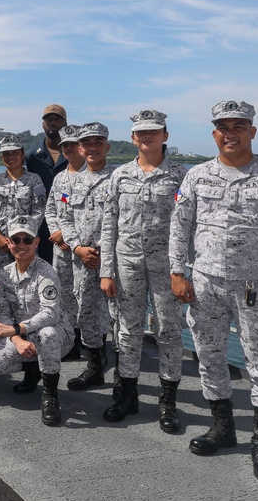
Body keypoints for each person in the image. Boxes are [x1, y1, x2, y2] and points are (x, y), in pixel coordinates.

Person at [169, 100, 258, 483]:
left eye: (238, 126)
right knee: (210, 356)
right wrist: (177, 272)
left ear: (252, 131)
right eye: (223, 126)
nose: (230, 132)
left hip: (257, 289)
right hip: (205, 285)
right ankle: (223, 428)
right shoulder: (197, 176)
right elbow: (180, 227)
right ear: (214, 133)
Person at [100, 110, 187, 431]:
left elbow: (188, 226)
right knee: (128, 330)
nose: (147, 137)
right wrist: (106, 271)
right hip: (127, 264)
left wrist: (183, 269)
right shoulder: (120, 175)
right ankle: (127, 395)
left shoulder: (180, 175)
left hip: (167, 267)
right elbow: (109, 226)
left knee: (168, 331)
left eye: (154, 131)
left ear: (165, 135)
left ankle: (168, 401)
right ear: (133, 138)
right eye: (141, 132)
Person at [0, 216, 73, 426]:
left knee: (46, 334)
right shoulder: (4, 274)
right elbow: (2, 313)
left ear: (36, 243)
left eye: (27, 240)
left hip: (56, 335)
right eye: (16, 240)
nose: (21, 245)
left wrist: (17, 329)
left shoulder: (46, 272)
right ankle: (32, 371)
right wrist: (17, 339)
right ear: (9, 243)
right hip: (20, 334)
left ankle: (50, 395)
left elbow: (50, 314)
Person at [59, 122, 115, 392]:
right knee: (88, 313)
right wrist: (78, 247)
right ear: (80, 149)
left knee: (119, 315)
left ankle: (126, 377)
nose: (92, 148)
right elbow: (64, 217)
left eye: (98, 143)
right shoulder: (72, 182)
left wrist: (102, 251)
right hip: (81, 260)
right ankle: (95, 368)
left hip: (111, 260)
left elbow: (123, 221)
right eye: (87, 144)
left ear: (107, 146)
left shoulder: (119, 179)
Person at [44, 124, 85, 360]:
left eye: (72, 144)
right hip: (61, 249)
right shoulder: (59, 178)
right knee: (66, 295)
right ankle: (71, 342)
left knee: (86, 297)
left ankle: (92, 345)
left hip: (82, 251)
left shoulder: (92, 176)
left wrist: (68, 235)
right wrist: (56, 231)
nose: (68, 148)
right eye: (65, 145)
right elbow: (51, 209)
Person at [0, 133, 47, 277]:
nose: (11, 157)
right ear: (1, 157)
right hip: (0, 247)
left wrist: (22, 237)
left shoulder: (34, 180)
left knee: (28, 284)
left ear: (22, 154)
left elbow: (39, 210)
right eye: (6, 153)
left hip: (25, 245)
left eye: (15, 153)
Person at [25, 104, 70, 263]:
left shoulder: (74, 152)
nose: (53, 123)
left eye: (57, 119)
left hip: (70, 220)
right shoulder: (32, 155)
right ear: (43, 124)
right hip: (42, 224)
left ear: (65, 123)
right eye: (48, 119)